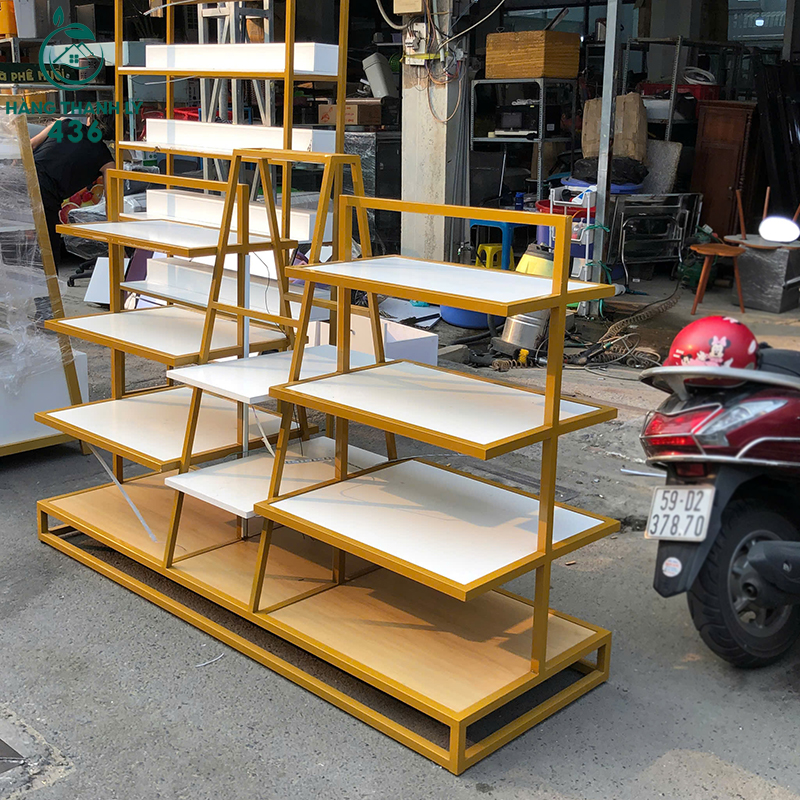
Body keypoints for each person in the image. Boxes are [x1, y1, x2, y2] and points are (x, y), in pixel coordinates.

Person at [31, 113, 115, 267]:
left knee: (16, 240)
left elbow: (30, 145)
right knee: (48, 251)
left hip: (27, 178)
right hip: (46, 196)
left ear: (89, 119)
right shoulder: (107, 161)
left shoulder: (64, 123)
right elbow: (111, 205)